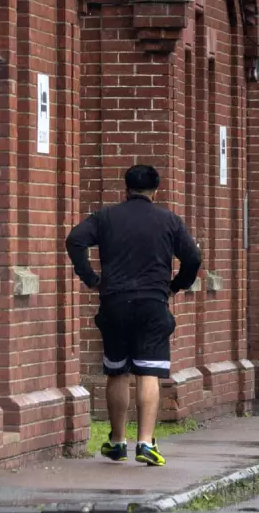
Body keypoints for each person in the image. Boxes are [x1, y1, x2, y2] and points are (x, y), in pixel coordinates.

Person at [65, 164, 202, 466]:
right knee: (148, 371)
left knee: (117, 371)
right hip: (153, 303)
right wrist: (176, 286)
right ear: (157, 190)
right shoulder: (169, 221)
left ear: (125, 188)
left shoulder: (105, 217)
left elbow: (75, 239)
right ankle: (145, 443)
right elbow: (193, 257)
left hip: (115, 302)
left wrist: (89, 277)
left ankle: (116, 441)